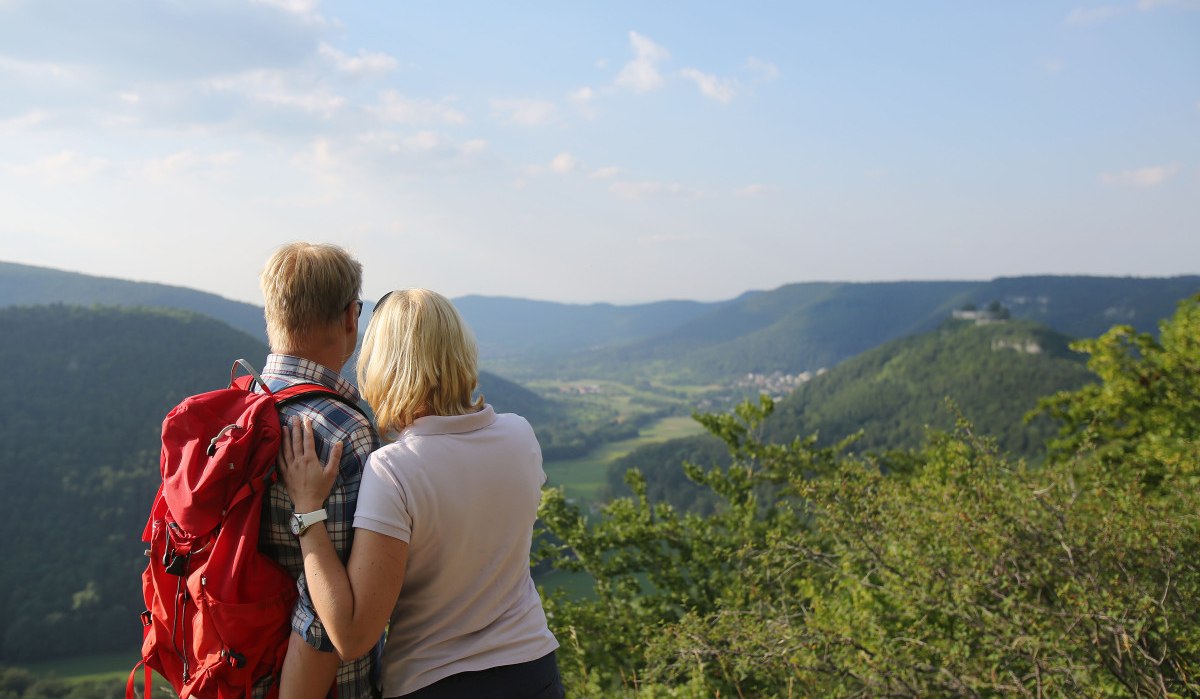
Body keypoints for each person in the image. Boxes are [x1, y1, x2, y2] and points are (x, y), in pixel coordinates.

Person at [277, 288, 563, 698]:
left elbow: (352, 635)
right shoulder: (520, 435)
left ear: (384, 366)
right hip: (534, 672)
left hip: (436, 681)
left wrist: (307, 512)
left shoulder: (395, 468)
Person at [255, 242, 382, 699]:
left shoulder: (241, 409)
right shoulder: (343, 432)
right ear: (351, 316)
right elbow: (334, 618)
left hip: (237, 670)